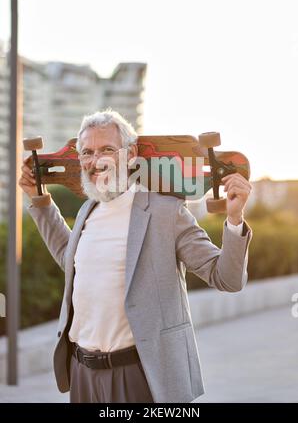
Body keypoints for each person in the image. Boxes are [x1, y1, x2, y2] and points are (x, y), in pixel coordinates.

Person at [19, 109, 252, 403]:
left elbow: (227, 279)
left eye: (107, 149)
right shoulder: (87, 211)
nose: (96, 160)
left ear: (130, 155)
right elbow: (72, 261)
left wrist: (234, 219)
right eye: (87, 152)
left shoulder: (165, 211)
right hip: (83, 374)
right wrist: (39, 201)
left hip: (140, 375)